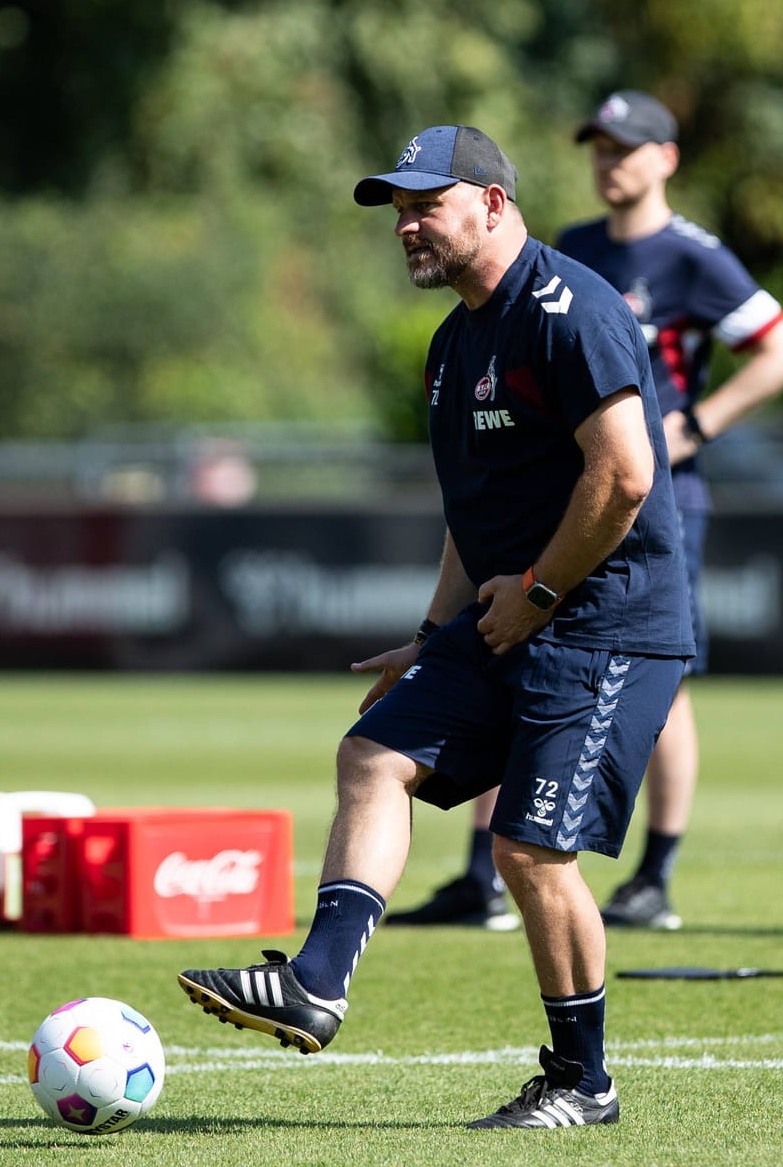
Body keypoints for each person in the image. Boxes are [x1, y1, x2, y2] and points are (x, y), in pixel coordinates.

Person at [178, 124, 692, 1130]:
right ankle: (316, 983)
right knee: (372, 752)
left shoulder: (569, 309)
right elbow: (474, 509)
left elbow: (624, 474)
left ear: (493, 203)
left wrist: (539, 591)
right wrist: (433, 633)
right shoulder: (454, 342)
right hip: (510, 616)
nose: (407, 225)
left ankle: (582, 1080)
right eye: (398, 210)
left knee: (529, 852)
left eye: (426, 204)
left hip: (604, 628)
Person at [386, 91, 783, 933]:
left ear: (666, 159)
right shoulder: (566, 249)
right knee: (505, 664)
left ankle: (654, 871)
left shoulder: (693, 255)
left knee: (653, 679)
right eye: (599, 147)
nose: (610, 161)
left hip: (647, 492)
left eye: (627, 147)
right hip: (552, 481)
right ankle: (485, 872)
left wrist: (692, 428)